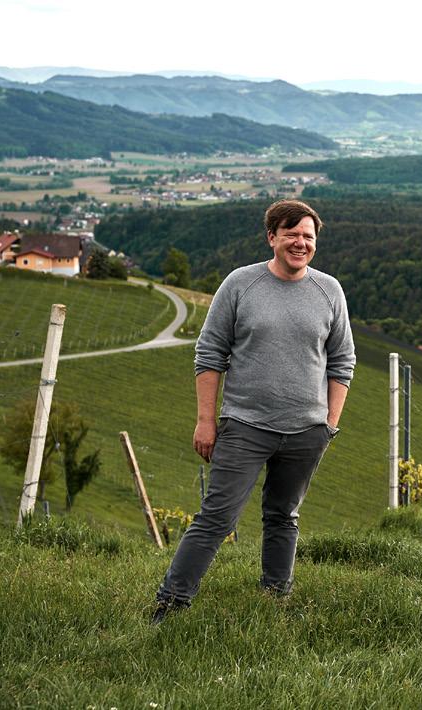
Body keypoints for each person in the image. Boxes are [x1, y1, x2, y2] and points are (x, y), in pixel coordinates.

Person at [151, 199, 355, 623]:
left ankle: (274, 599)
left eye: (308, 236)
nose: (300, 243)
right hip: (244, 425)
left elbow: (342, 361)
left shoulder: (329, 290)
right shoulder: (240, 284)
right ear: (271, 238)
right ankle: (170, 603)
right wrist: (206, 421)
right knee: (217, 517)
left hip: (306, 432)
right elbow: (209, 353)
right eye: (291, 234)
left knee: (283, 516)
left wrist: (329, 425)